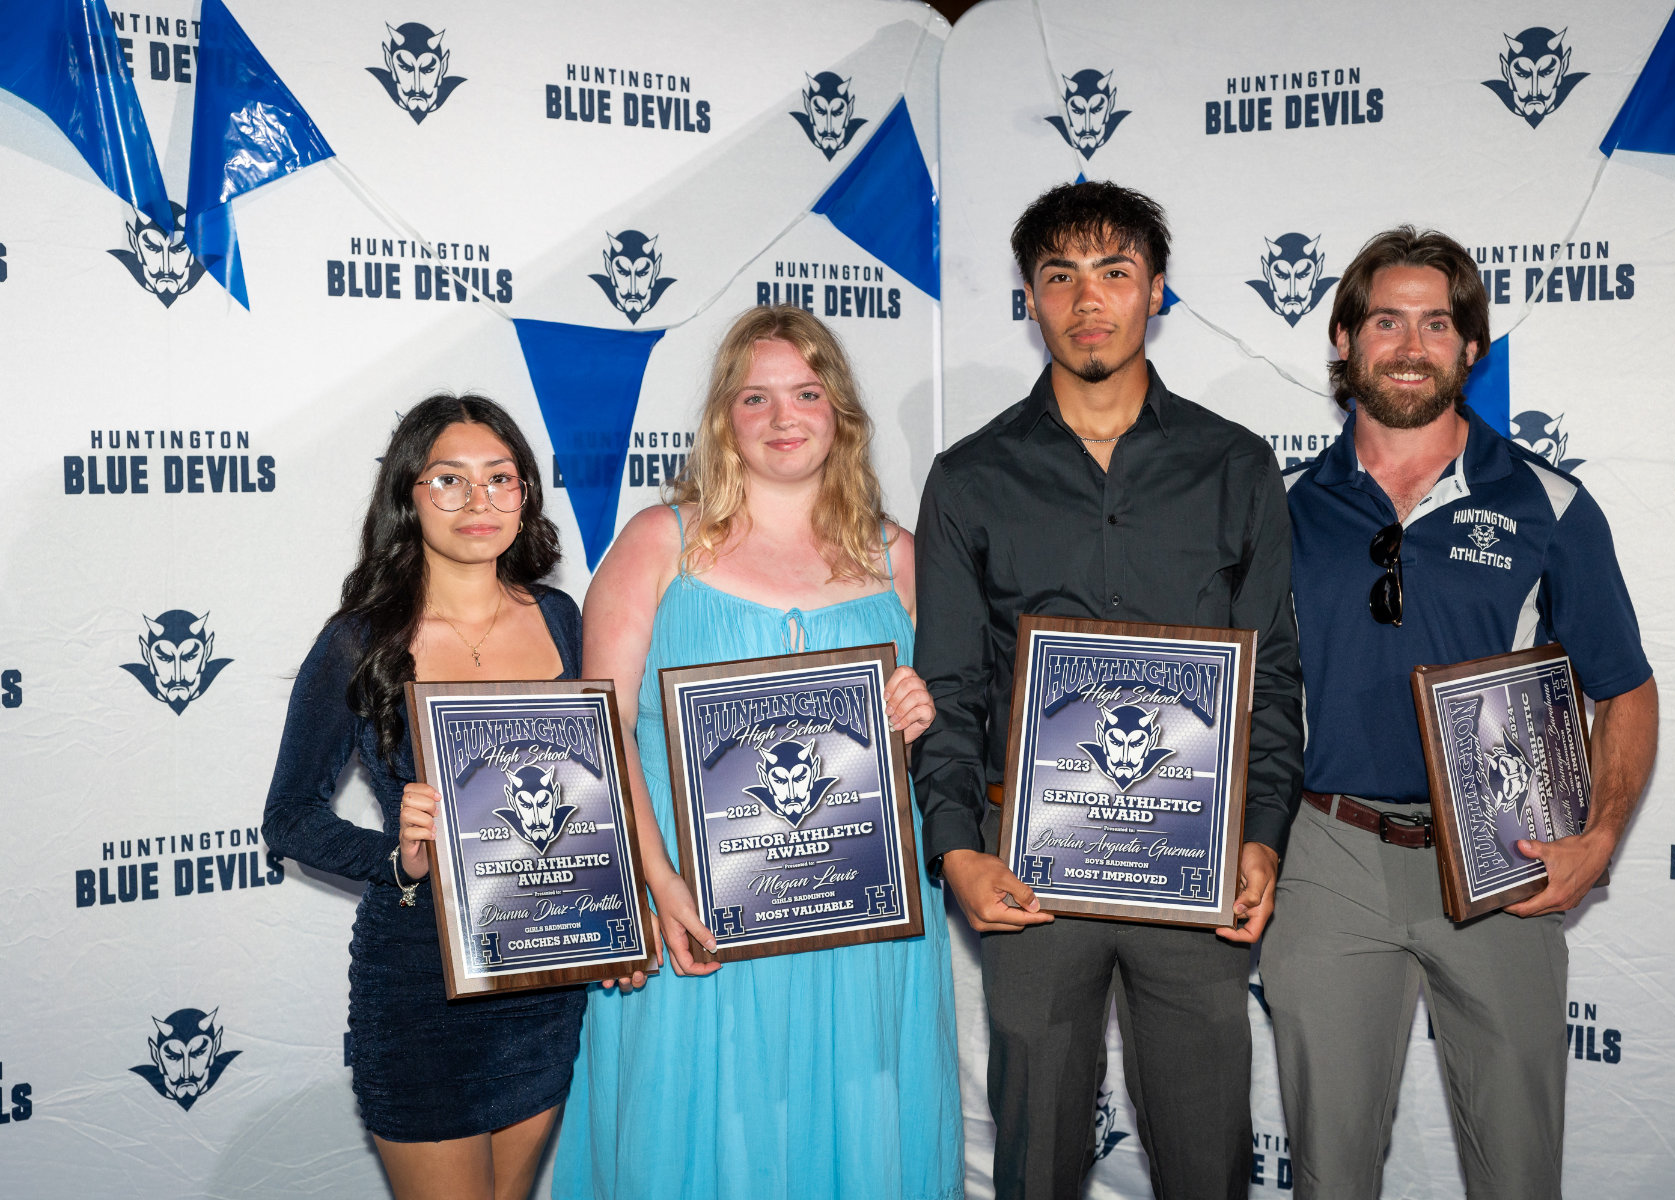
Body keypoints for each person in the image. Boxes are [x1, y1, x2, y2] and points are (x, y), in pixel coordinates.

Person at [911, 180, 1304, 1198]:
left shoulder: (1236, 465)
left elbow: (1272, 672)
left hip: (1198, 866)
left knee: (1208, 1155)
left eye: (1115, 273)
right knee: (1035, 1159)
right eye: (1061, 278)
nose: (1090, 301)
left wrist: (1261, 834)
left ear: (1156, 291)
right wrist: (954, 847)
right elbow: (948, 682)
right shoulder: (970, 476)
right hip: (1028, 876)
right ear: (1032, 300)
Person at [1260, 227, 1660, 1200]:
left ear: (1471, 348)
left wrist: (1599, 835)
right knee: (1330, 1168)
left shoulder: (1548, 503)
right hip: (1327, 858)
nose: (1410, 343)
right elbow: (1235, 694)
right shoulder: (1273, 508)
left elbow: (1626, 687)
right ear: (1344, 343)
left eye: (1437, 323)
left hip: (1504, 859)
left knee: (1519, 1166)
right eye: (1385, 320)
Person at [553, 306, 961, 1200]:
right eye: (757, 397)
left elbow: (950, 724)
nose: (785, 417)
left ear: (839, 411)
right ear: (723, 419)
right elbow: (600, 730)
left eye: (807, 393)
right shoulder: (660, 544)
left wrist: (919, 706)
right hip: (696, 914)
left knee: (859, 1123)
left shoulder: (899, 557)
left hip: (861, 923)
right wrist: (656, 885)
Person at [263, 395, 588, 1200]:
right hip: (419, 984)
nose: (479, 502)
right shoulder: (358, 641)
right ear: (408, 495)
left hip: (544, 982)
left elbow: (602, 786)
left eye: (500, 479)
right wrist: (398, 857)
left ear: (526, 495)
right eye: (449, 480)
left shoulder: (561, 618)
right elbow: (290, 819)